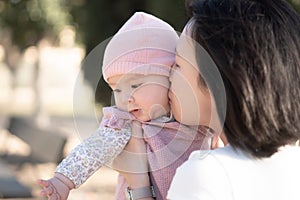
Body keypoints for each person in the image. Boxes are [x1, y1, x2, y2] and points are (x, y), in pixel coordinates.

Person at [38, 12, 216, 200]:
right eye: (117, 90)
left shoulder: (192, 114)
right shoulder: (124, 123)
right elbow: (92, 150)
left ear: (169, 76)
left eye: (135, 85)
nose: (125, 99)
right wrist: (63, 180)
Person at [166, 0, 300, 199]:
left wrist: (138, 186)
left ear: (215, 81)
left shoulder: (208, 174)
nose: (167, 73)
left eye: (177, 64)